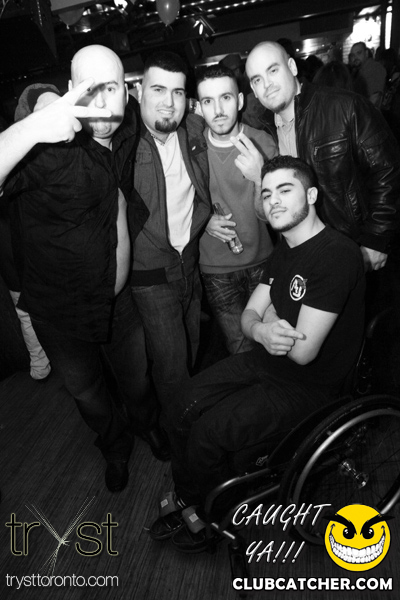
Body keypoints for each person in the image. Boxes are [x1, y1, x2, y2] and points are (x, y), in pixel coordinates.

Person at [149, 155, 366, 553]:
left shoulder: (337, 253)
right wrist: (264, 328)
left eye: (285, 190)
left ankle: (211, 513)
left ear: (311, 195)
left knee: (209, 433)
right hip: (268, 361)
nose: (273, 201)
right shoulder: (285, 248)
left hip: (311, 387)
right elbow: (249, 316)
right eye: (266, 194)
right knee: (179, 404)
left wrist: (265, 323)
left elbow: (302, 353)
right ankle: (189, 494)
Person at [0, 45, 162, 493]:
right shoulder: (48, 147)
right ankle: (114, 446)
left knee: (137, 378)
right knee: (88, 394)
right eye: (90, 91)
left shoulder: (126, 130)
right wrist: (33, 122)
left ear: (126, 93)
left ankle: (147, 426)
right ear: (71, 90)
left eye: (111, 89)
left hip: (119, 303)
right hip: (60, 313)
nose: (103, 105)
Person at [244, 41, 400, 273]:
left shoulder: (345, 107)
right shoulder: (264, 134)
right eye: (257, 79)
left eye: (273, 70)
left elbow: (388, 170)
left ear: (292, 67)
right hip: (304, 255)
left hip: (353, 248)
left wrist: (376, 238)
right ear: (253, 89)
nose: (267, 85)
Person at [130, 51, 211, 420]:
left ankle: (185, 421)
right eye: (158, 89)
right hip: (150, 278)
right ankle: (182, 435)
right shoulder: (124, 142)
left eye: (177, 92)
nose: (169, 101)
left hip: (189, 266)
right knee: (172, 369)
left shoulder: (193, 130)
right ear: (138, 92)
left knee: (191, 352)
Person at [196, 65, 277, 354]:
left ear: (240, 100)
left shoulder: (262, 142)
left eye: (226, 98)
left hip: (263, 261)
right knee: (239, 348)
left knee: (273, 343)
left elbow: (273, 217)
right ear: (199, 107)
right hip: (215, 269)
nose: (218, 110)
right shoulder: (191, 149)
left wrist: (259, 177)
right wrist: (203, 220)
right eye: (208, 101)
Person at [348, 42, 386, 107]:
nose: (355, 57)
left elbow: (375, 97)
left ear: (366, 53)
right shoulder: (358, 70)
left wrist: (363, 111)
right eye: (353, 55)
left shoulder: (374, 68)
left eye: (359, 53)